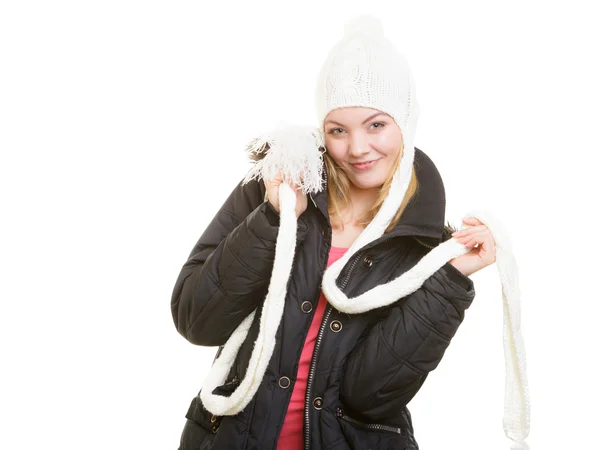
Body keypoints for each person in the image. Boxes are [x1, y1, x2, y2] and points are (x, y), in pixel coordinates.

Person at [171, 15, 498, 450]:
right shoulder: (275, 187)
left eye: (376, 125)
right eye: (338, 130)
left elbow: (370, 395)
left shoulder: (426, 245)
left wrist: (449, 281)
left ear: (406, 123)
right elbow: (197, 319)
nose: (358, 148)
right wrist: (271, 219)